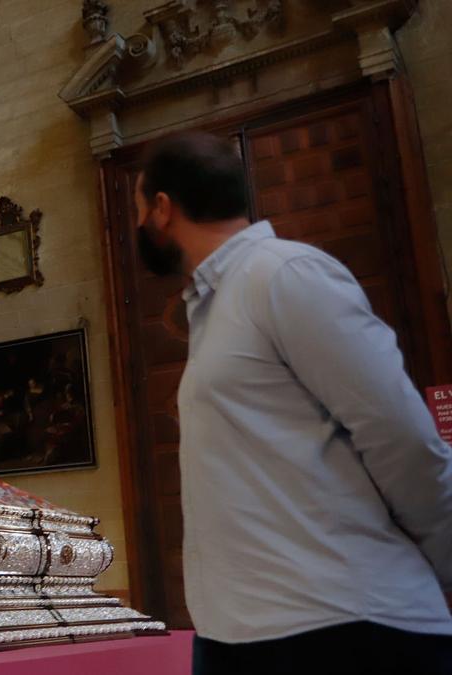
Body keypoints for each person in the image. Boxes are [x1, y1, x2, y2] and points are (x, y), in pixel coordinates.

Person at [134, 131, 452, 674]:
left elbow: (402, 439)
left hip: (340, 626)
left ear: (163, 209)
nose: (138, 224)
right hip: (248, 629)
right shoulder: (218, 302)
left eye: (139, 209)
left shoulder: (286, 274)